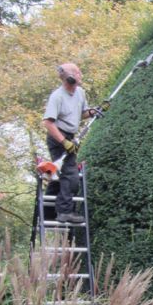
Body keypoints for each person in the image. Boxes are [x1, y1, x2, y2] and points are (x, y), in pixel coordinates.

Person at [42, 63, 97, 223]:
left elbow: (83, 113)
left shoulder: (80, 93)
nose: (81, 75)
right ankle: (64, 212)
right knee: (71, 175)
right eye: (78, 73)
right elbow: (48, 123)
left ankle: (57, 211)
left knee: (68, 175)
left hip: (70, 136)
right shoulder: (57, 96)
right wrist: (64, 142)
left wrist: (95, 111)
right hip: (57, 136)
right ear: (70, 77)